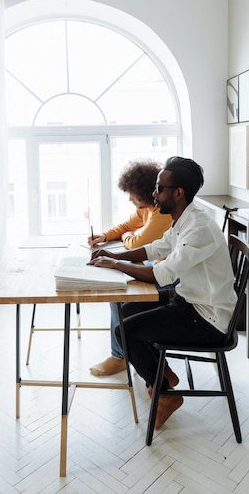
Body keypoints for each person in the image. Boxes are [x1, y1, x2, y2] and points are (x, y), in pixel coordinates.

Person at [88, 156, 236, 429]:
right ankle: (163, 377)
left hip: (208, 318)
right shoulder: (184, 218)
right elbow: (156, 249)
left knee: (124, 331)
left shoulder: (199, 228)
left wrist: (115, 264)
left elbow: (162, 273)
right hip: (189, 301)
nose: (154, 194)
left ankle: (165, 392)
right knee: (126, 310)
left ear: (178, 193)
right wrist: (113, 253)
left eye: (160, 188)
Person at [87, 159, 172, 376]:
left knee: (119, 296)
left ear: (145, 192)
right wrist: (106, 236)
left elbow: (136, 243)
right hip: (159, 265)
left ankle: (120, 357)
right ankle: (126, 354)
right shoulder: (146, 209)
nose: (129, 198)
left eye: (132, 194)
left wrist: (127, 237)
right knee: (118, 290)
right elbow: (128, 227)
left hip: (172, 277)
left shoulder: (160, 213)